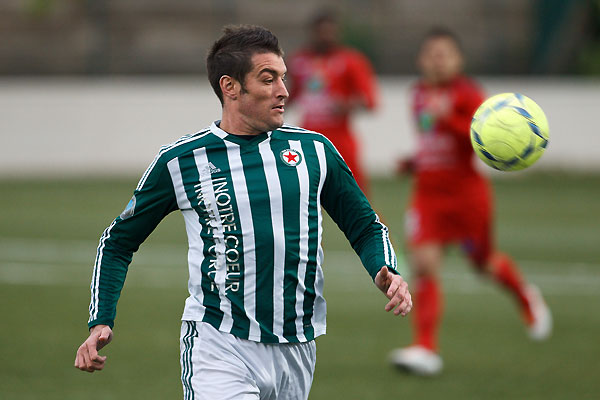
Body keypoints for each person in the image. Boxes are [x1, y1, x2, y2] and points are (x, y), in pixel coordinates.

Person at [74, 25, 412, 399]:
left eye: (284, 78)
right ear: (230, 87)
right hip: (219, 342)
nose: (284, 91)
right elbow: (118, 241)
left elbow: (364, 225)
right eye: (268, 79)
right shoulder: (182, 160)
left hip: (298, 346)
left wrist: (385, 269)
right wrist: (101, 319)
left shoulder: (314, 150)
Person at [388, 27, 552, 376]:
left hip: (466, 196)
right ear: (421, 59)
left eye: (444, 53)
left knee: (483, 264)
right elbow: (430, 143)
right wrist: (414, 162)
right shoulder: (417, 94)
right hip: (428, 195)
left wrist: (449, 117)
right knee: (424, 264)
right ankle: (426, 349)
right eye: (431, 53)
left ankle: (525, 296)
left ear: (458, 60)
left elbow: (482, 144)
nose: (437, 60)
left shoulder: (468, 94)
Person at [287, 10, 378, 194]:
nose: (326, 37)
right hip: (306, 138)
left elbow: (369, 101)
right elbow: (290, 96)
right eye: (321, 32)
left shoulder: (351, 60)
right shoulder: (298, 61)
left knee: (357, 197)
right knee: (301, 195)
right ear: (312, 33)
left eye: (330, 32)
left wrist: (346, 105)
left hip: (340, 140)